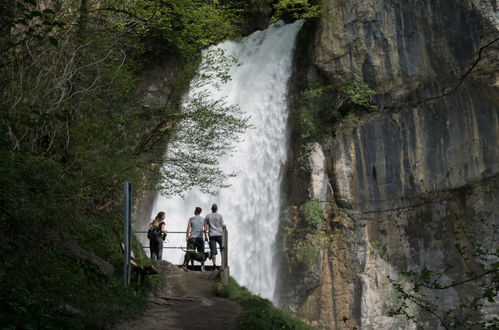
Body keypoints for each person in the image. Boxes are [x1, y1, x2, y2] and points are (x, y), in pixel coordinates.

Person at [204, 203, 224, 269]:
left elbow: (206, 227)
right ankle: (223, 264)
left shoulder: (208, 216)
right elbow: (222, 225)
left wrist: (206, 236)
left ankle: (214, 265)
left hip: (212, 235)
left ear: (211, 209)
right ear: (217, 209)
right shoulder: (220, 216)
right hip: (219, 235)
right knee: (222, 249)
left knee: (213, 251)